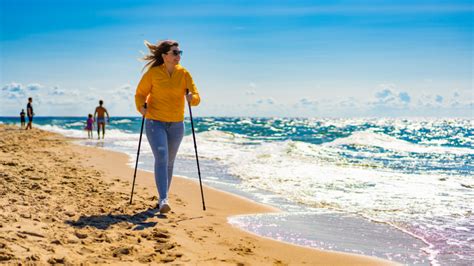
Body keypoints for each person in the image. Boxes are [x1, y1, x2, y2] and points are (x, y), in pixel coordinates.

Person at [135, 40, 200, 213]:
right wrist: (141, 107)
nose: (179, 56)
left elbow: (196, 96)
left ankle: (163, 197)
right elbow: (140, 93)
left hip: (177, 124)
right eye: (175, 53)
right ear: (165, 56)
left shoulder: (184, 74)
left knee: (169, 162)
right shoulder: (153, 74)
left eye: (180, 53)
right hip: (155, 121)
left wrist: (192, 98)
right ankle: (164, 199)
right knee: (162, 156)